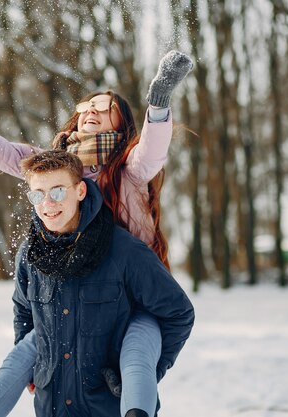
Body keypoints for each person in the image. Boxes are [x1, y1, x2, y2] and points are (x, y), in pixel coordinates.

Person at [0, 50, 193, 417]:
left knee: (135, 356)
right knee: (29, 350)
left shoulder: (127, 168)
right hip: (78, 293)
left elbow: (152, 150)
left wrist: (160, 101)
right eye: (87, 104)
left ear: (121, 125)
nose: (91, 109)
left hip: (132, 295)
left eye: (104, 107)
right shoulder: (56, 166)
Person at [16, 149, 193, 417]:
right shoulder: (30, 255)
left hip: (113, 408)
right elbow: (23, 312)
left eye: (58, 191)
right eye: (38, 194)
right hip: (51, 407)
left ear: (80, 191)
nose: (48, 204)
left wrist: (145, 374)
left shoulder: (123, 250)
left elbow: (178, 313)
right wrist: (32, 366)